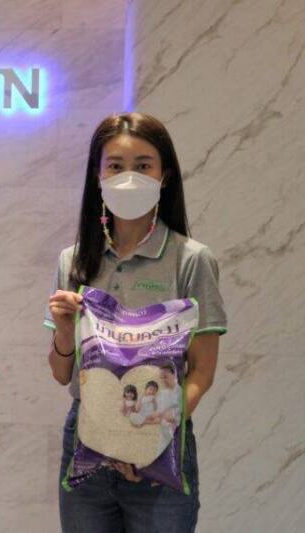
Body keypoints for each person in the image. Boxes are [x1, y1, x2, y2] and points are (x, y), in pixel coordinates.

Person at [45, 113, 227, 532]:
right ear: (98, 176)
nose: (129, 177)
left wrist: (147, 438)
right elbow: (61, 373)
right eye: (116, 166)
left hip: (160, 446)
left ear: (164, 176)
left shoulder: (191, 259)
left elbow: (202, 372)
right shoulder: (73, 260)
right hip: (87, 442)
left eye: (143, 166)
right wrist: (64, 330)